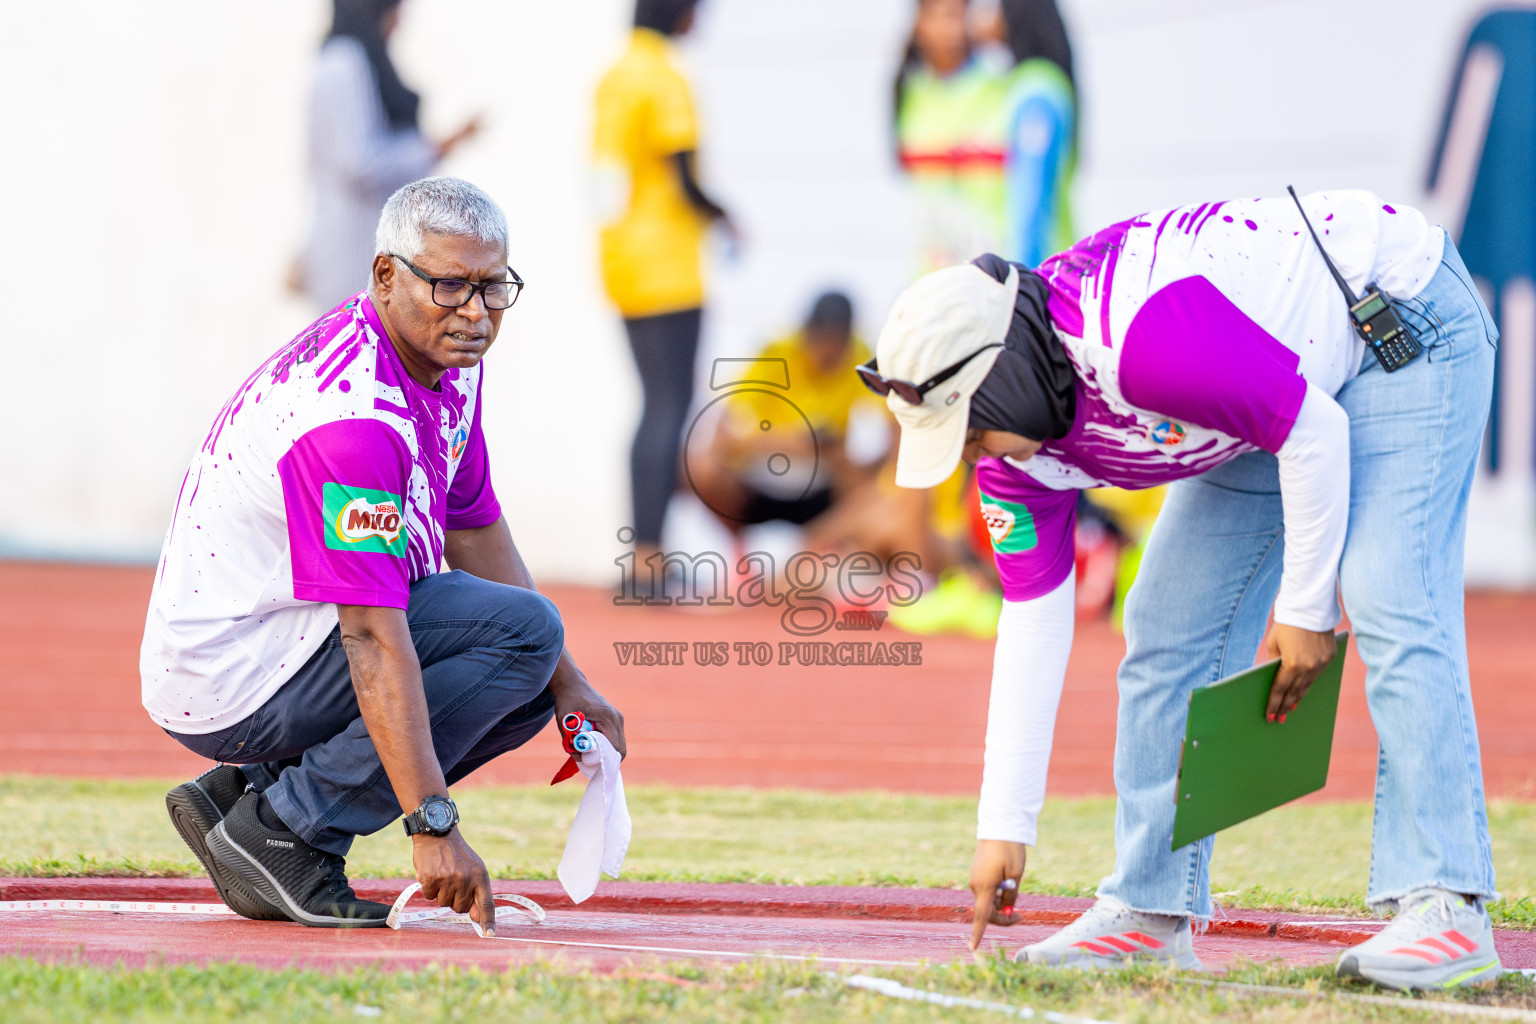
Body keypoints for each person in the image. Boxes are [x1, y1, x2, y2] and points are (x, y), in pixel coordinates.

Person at [863, 190, 1502, 990]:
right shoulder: (1010, 468)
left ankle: (1449, 905)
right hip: (1275, 386)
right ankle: (1148, 910)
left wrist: (1304, 610)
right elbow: (1032, 625)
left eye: (969, 429)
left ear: (1008, 379)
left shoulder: (1142, 344)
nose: (968, 458)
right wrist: (1004, 828)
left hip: (1394, 322)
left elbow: (1312, 431)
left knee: (1385, 592)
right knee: (1166, 622)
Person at [143, 177, 626, 930]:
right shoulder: (353, 420)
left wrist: (572, 683)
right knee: (522, 635)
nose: (475, 313)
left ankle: (248, 798)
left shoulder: (445, 358)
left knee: (534, 664)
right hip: (235, 672)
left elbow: (472, 525)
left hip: (286, 642)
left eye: (492, 287)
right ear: (385, 276)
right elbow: (370, 632)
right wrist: (433, 826)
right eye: (449, 286)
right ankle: (288, 831)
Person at [595, 0, 736, 573]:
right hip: (668, 266)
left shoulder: (613, 76)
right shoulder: (667, 76)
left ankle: (641, 552)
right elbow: (685, 177)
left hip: (620, 257)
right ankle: (650, 559)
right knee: (669, 406)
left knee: (652, 404)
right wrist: (725, 216)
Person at [300, 0, 481, 311]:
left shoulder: (350, 62)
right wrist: (435, 147)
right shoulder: (344, 63)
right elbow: (359, 164)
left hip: (361, 245)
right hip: (351, 250)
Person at [687, 292, 884, 535]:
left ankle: (826, 549)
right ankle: (739, 551)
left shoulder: (862, 358)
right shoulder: (776, 351)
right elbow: (725, 434)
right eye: (823, 343)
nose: (827, 354)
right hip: (760, 479)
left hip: (825, 483)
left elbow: (883, 432)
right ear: (807, 333)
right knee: (701, 466)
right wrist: (791, 442)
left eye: (836, 346)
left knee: (875, 482)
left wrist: (837, 454)